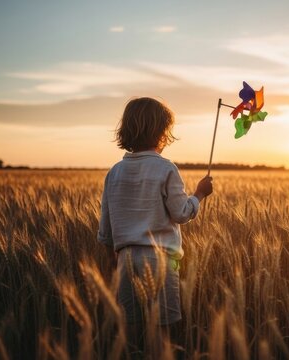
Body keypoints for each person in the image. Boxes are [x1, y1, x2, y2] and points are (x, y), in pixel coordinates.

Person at [97, 97, 213, 358]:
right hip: (159, 259)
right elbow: (181, 213)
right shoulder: (165, 168)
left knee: (131, 325)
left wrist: (110, 260)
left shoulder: (114, 172)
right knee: (165, 327)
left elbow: (105, 227)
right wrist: (199, 194)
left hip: (125, 259)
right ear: (161, 132)